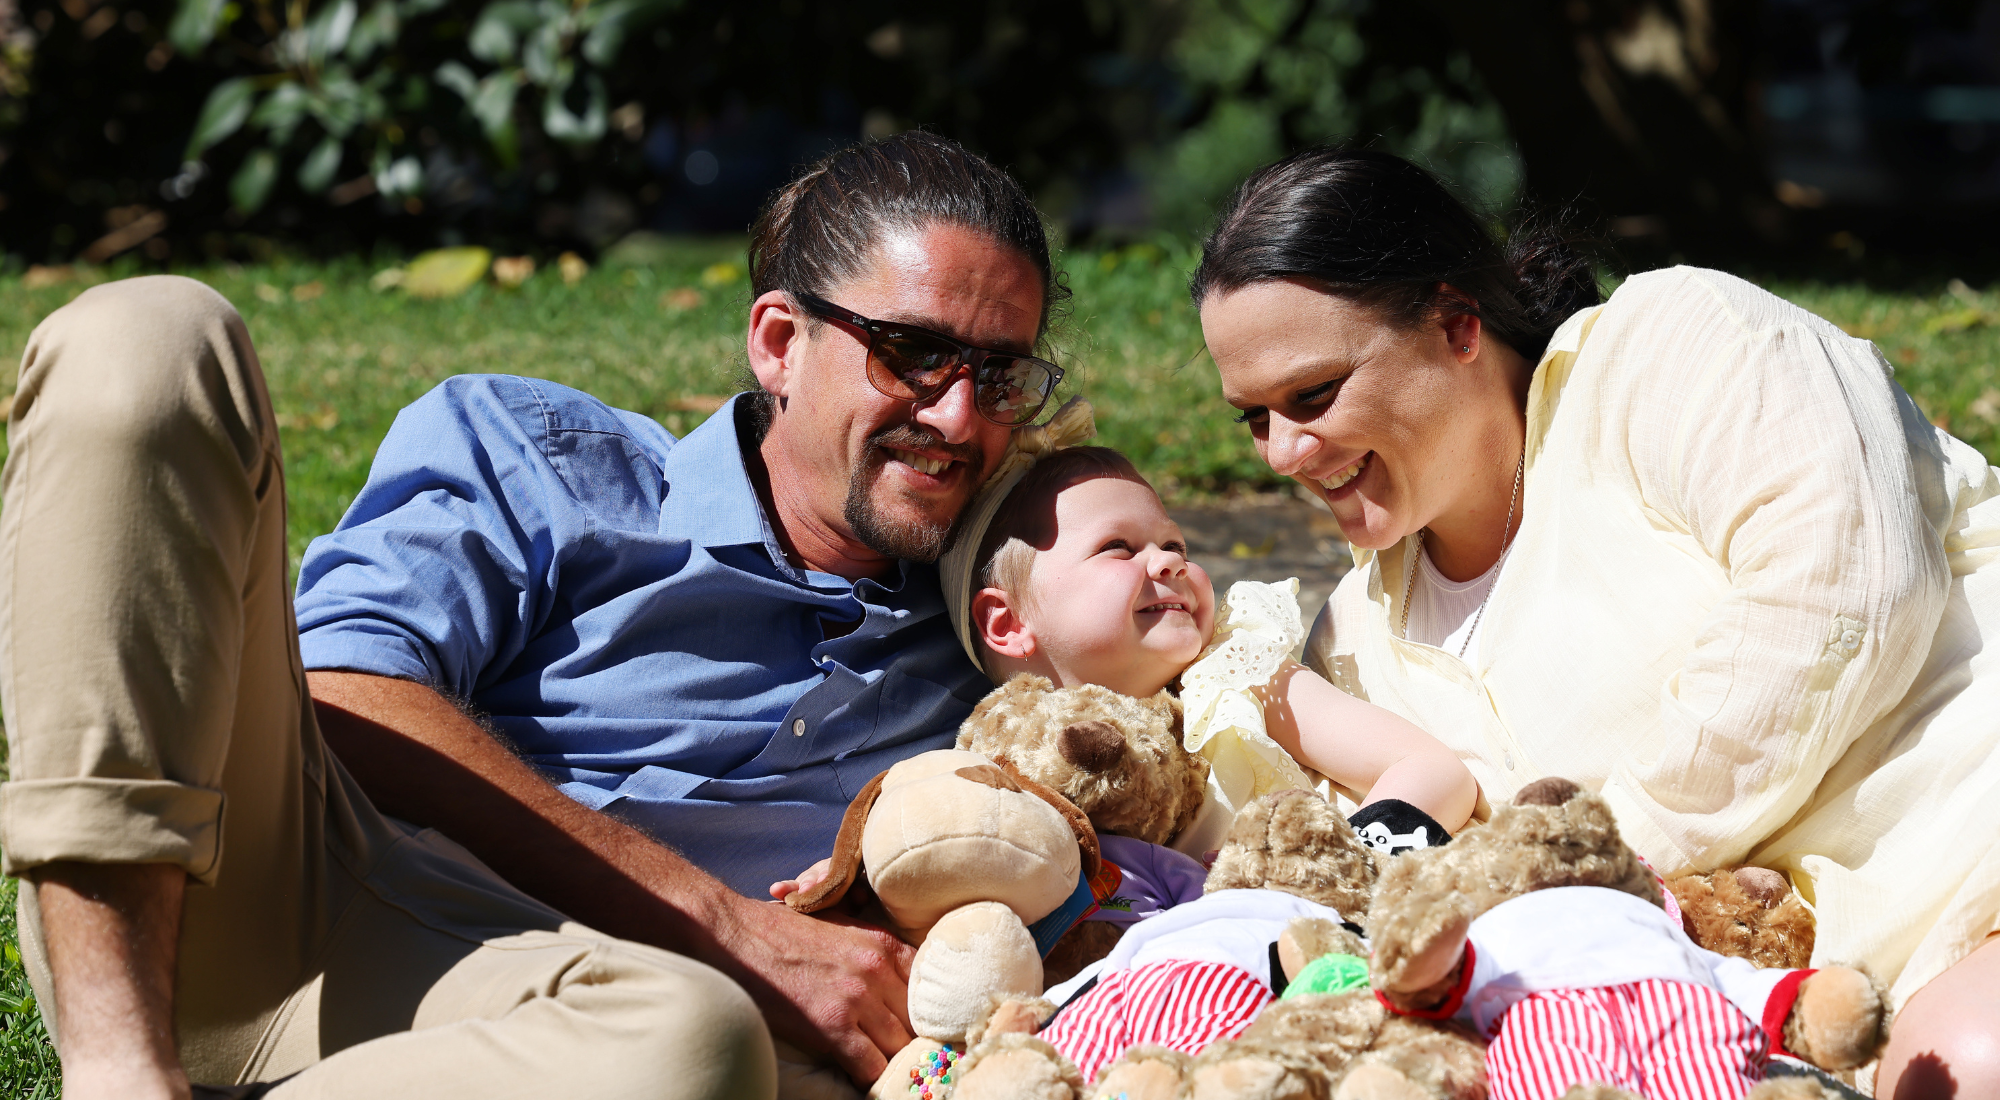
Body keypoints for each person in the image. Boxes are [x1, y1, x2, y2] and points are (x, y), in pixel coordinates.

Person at [0, 132, 1065, 1098]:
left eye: (998, 373)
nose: (957, 414)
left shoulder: (1001, 615)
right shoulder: (539, 460)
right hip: (263, 899)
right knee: (149, 335)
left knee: (690, 1040)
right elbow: (341, 687)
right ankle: (118, 1070)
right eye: (910, 352)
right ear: (778, 342)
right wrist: (721, 923)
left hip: (551, 1020)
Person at [1190, 146, 2000, 1097]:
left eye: (1313, 395)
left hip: (1971, 854)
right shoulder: (1354, 647)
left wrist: (1606, 861)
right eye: (1254, 417)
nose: (1283, 452)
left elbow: (1850, 587)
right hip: (1759, 1022)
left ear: (1457, 324)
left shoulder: (1671, 346)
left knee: (1968, 1068)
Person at [941, 440, 1478, 854]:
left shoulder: (1235, 674)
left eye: (1174, 544)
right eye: (1117, 548)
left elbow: (1431, 769)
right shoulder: (1004, 759)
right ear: (1008, 622)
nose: (1168, 562)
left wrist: (1344, 868)